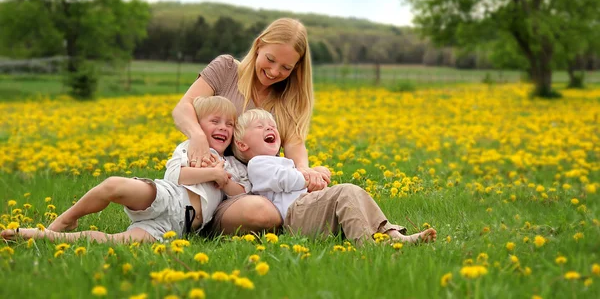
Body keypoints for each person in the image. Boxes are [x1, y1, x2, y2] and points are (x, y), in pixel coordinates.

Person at [1, 96, 247, 243]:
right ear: (199, 126)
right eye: (215, 121)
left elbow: (239, 193)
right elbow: (175, 175)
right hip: (167, 197)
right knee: (113, 185)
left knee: (115, 242)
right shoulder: (191, 147)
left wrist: (223, 178)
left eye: (230, 124)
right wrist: (212, 174)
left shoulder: (232, 164)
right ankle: (67, 219)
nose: (223, 128)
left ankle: (45, 236)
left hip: (176, 228)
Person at [171, 18, 331, 235]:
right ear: (258, 46)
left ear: (296, 68)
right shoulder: (226, 69)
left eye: (286, 67)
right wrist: (197, 136)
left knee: (265, 210)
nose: (274, 72)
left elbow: (295, 145)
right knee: (261, 213)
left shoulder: (290, 98)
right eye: (270, 59)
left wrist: (305, 171)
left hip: (250, 193)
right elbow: (183, 108)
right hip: (208, 183)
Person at [233, 109, 438, 245]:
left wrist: (313, 176)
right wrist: (308, 175)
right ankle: (367, 245)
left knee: (354, 193)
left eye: (272, 125)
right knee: (345, 192)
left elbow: (293, 180)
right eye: (260, 126)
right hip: (294, 216)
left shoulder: (281, 161)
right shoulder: (257, 164)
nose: (269, 128)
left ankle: (393, 235)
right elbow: (284, 180)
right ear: (243, 145)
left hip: (304, 208)